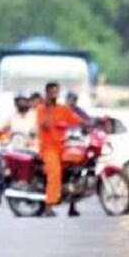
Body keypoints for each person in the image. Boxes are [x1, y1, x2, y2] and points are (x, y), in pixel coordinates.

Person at [36, 81, 85, 217]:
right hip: (48, 148)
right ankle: (48, 205)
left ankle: (72, 205)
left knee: (75, 168)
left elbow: (76, 120)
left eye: (56, 92)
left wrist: (89, 124)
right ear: (46, 93)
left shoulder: (63, 109)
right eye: (51, 92)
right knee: (55, 172)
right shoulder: (41, 109)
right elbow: (44, 124)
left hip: (63, 147)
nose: (54, 95)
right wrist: (49, 109)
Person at [0, 94, 39, 205]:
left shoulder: (35, 115)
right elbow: (2, 128)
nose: (21, 103)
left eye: (23, 100)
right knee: (2, 163)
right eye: (18, 101)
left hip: (31, 147)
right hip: (15, 147)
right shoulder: (12, 116)